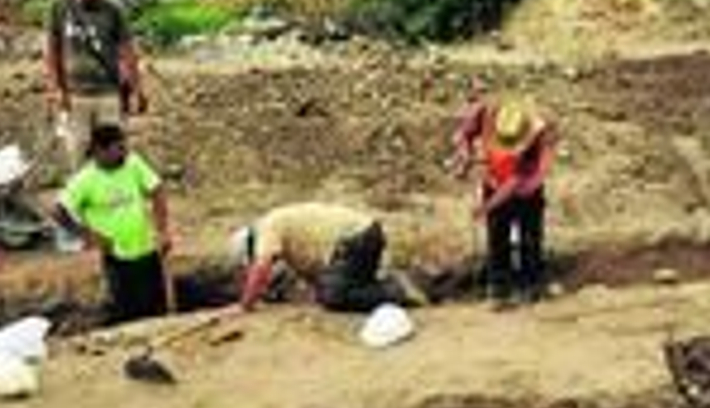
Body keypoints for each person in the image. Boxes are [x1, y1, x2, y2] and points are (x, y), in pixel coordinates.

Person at [53, 123, 174, 324]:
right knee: (127, 308)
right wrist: (89, 236)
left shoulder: (133, 164)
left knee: (155, 305)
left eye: (124, 147)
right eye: (118, 149)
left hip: (148, 248)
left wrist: (162, 230)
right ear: (100, 151)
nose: (124, 152)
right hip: (117, 257)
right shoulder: (85, 180)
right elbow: (58, 212)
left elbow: (157, 191)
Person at [451, 90, 558, 308]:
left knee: (529, 235)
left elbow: (515, 183)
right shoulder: (488, 112)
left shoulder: (540, 134)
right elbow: (463, 134)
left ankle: (531, 285)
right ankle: (499, 288)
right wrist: (465, 156)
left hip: (526, 186)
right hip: (495, 179)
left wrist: (485, 208)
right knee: (497, 232)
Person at [45, 0, 146, 174]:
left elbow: (128, 52)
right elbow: (52, 50)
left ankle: (113, 198)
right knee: (78, 152)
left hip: (107, 93)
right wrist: (56, 89)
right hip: (75, 94)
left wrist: (137, 90)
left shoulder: (113, 9)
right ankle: (81, 202)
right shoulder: (59, 7)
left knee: (112, 152)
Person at [230, 202, 425, 314]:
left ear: (251, 244)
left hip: (357, 237)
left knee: (334, 297)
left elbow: (261, 268)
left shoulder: (267, 227)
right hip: (362, 235)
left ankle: (396, 291)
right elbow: (311, 275)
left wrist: (245, 305)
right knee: (336, 289)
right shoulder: (285, 239)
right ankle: (384, 288)